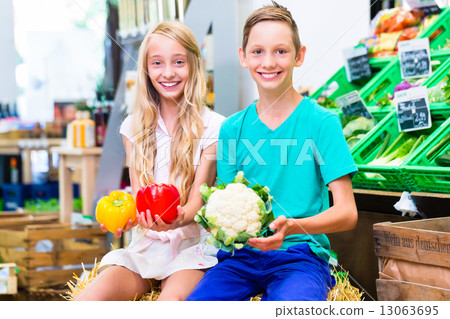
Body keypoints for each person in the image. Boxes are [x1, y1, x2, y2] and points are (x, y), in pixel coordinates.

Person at [187, 1, 358, 301]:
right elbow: (225, 206)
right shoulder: (232, 130)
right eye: (258, 51)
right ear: (243, 57)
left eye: (281, 51)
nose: (268, 62)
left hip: (300, 257)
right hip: (240, 261)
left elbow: (347, 213)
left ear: (299, 55)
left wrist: (292, 226)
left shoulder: (322, 123)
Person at [74, 21, 225, 301]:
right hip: (146, 248)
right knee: (86, 301)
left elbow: (196, 204)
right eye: (157, 63)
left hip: (192, 248)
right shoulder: (132, 128)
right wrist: (127, 219)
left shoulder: (214, 127)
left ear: (194, 65)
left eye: (178, 62)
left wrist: (177, 218)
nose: (168, 72)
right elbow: (139, 196)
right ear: (145, 68)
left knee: (170, 303)